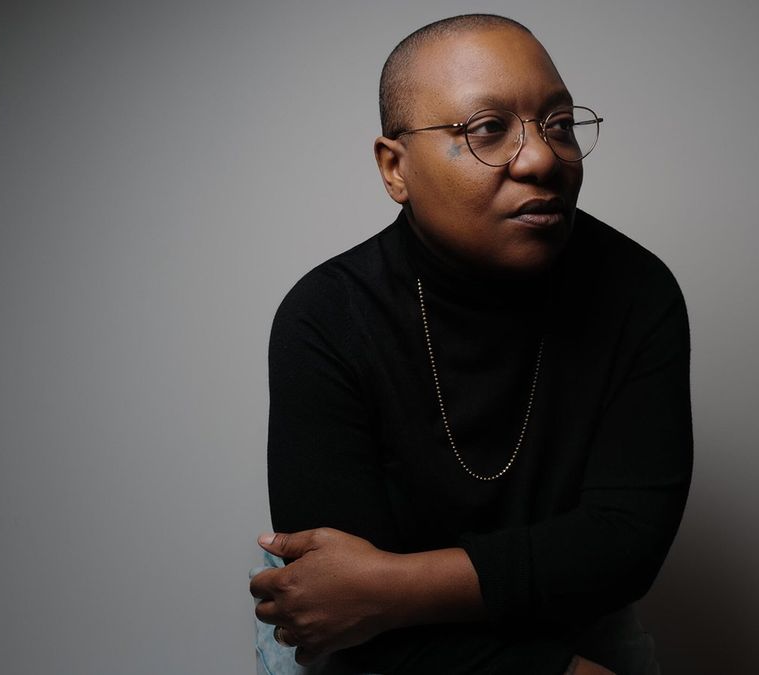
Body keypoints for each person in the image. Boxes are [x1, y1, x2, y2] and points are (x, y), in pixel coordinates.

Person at [249, 14, 692, 675]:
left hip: (562, 614)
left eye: (559, 124)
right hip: (368, 643)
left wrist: (389, 586)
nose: (541, 158)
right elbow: (333, 596)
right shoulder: (326, 316)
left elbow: (625, 546)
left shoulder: (636, 290)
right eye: (487, 129)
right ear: (394, 168)